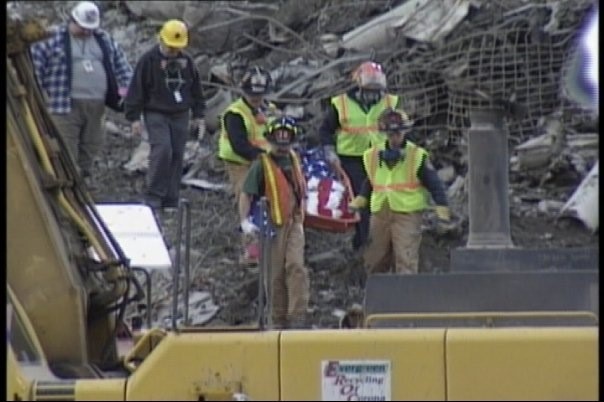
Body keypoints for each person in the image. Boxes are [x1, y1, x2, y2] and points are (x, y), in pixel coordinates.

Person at [30, 0, 133, 180]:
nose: (86, 32)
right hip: (63, 106)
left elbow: (122, 68)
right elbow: (35, 69)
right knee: (65, 149)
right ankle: (67, 187)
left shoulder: (104, 39)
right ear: (72, 20)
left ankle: (83, 182)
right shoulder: (51, 39)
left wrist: (126, 93)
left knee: (90, 147)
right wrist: (38, 97)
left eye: (89, 28)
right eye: (82, 27)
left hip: (96, 106)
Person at [349, 109, 451, 278]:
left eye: (397, 133)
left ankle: (406, 299)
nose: (394, 138)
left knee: (405, 256)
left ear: (404, 132)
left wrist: (442, 205)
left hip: (407, 214)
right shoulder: (374, 155)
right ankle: (378, 298)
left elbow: (433, 182)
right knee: (375, 257)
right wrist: (361, 198)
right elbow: (372, 180)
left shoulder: (415, 156)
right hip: (381, 212)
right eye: (390, 134)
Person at [319, 61, 401, 252]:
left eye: (377, 91)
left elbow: (403, 129)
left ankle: (383, 240)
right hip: (352, 160)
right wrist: (330, 153)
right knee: (361, 201)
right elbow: (325, 131)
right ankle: (364, 241)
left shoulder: (390, 103)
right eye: (369, 90)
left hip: (381, 158)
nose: (374, 96)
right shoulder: (341, 105)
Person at [124, 19, 206, 209]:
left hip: (180, 113)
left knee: (177, 153)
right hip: (156, 112)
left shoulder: (187, 62)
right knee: (162, 150)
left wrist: (199, 114)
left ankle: (171, 197)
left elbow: (196, 89)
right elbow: (136, 89)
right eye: (170, 47)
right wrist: (134, 117)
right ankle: (154, 194)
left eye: (176, 48)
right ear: (161, 40)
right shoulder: (148, 61)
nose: (173, 51)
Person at [238, 117, 310, 329]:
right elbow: (246, 194)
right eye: (278, 138)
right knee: (275, 275)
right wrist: (245, 222)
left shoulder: (295, 160)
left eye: (286, 138)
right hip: (271, 225)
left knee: (296, 265)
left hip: (293, 221)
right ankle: (277, 321)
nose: (282, 143)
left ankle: (298, 317)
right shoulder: (262, 164)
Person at [218, 65, 277, 264]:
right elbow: (239, 145)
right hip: (241, 163)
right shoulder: (234, 113)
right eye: (252, 94)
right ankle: (250, 251)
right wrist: (262, 156)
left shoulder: (269, 110)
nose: (256, 98)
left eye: (260, 95)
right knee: (247, 202)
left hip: (266, 163)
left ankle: (272, 246)